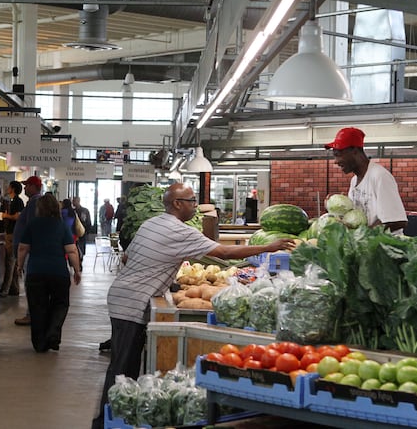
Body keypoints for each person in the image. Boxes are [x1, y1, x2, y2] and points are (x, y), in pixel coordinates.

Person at [91, 183, 295, 429]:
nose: (195, 206)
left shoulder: (152, 223)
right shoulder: (179, 231)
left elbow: (126, 256)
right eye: (192, 201)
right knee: (123, 368)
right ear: (177, 204)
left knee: (122, 363)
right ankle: (105, 422)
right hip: (132, 303)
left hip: (121, 296)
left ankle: (113, 419)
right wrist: (267, 247)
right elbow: (224, 253)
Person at [17, 194, 81, 352]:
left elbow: (23, 247)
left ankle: (40, 344)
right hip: (58, 272)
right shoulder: (61, 225)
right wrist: (77, 270)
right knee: (60, 304)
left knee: (37, 307)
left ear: (39, 208)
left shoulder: (32, 224)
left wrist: (19, 265)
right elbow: (71, 250)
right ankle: (53, 333)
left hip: (36, 272)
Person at [324, 127, 408, 234]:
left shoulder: (379, 176)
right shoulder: (354, 181)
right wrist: (335, 207)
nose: (336, 161)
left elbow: (397, 221)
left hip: (385, 247)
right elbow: (355, 217)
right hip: (366, 245)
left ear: (354, 151)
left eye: (338, 155)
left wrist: (364, 234)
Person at [13, 176, 43, 326]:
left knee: (30, 285)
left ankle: (31, 314)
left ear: (33, 187)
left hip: (29, 253)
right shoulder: (34, 202)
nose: (24, 188)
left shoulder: (34, 203)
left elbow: (31, 228)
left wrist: (21, 258)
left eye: (27, 186)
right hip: (31, 252)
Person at [0, 181, 25, 297]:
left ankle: (5, 289)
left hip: (13, 234)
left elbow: (18, 216)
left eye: (9, 187)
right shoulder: (11, 201)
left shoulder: (18, 201)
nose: (7, 188)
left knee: (9, 261)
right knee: (13, 263)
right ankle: (14, 289)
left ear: (13, 189)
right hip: (11, 233)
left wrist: (6, 216)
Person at [72, 196, 91, 261]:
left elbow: (88, 221)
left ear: (78, 201)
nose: (73, 202)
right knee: (78, 245)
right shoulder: (73, 211)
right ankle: (79, 258)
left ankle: (80, 258)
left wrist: (87, 230)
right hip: (78, 231)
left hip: (81, 231)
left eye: (74, 201)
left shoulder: (84, 211)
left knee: (81, 245)